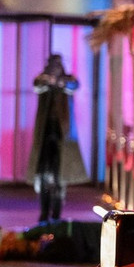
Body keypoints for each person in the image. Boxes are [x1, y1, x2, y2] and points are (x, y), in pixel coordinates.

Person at [27, 54, 86, 223]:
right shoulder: (43, 80)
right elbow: (37, 85)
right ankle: (44, 212)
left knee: (60, 178)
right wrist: (50, 81)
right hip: (46, 134)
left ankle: (56, 214)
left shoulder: (67, 80)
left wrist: (59, 82)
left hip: (62, 135)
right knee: (44, 177)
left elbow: (73, 85)